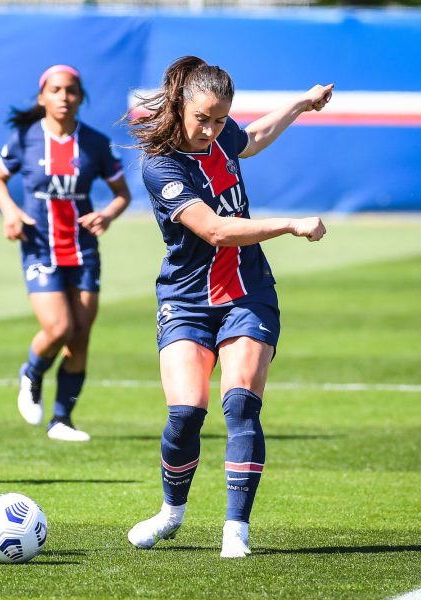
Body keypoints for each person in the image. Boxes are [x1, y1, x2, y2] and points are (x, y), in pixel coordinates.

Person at [124, 56, 331, 557]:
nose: (213, 130)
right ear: (180, 107)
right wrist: (287, 224)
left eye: (221, 119)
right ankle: (172, 511)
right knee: (186, 413)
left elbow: (252, 138)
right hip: (186, 297)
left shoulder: (220, 136)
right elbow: (216, 231)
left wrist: (300, 104)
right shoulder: (162, 166)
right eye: (204, 119)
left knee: (240, 404)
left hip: (247, 291)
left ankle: (235, 529)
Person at [0, 65, 131, 442]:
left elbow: (122, 194)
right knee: (59, 327)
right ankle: (31, 373)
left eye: (71, 91)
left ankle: (62, 420)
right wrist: (11, 212)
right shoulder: (24, 138)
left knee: (81, 334)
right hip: (40, 245)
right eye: (56, 90)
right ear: (42, 97)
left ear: (80, 97)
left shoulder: (96, 144)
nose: (64, 97)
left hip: (83, 248)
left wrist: (107, 214)